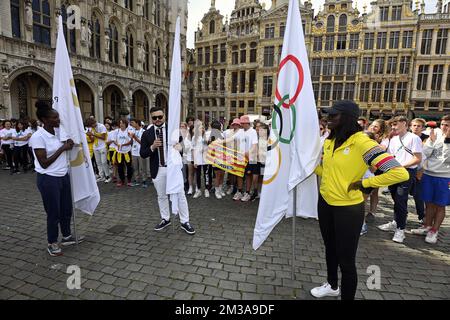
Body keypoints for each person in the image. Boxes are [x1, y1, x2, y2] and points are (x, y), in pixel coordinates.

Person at [310, 100, 408, 300]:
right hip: (325, 204)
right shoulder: (330, 140)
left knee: (346, 261)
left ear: (346, 118)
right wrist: (307, 166)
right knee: (330, 249)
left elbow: (400, 173)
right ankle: (332, 285)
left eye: (333, 116)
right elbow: (326, 171)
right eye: (327, 115)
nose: (328, 120)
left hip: (348, 210)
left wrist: (365, 184)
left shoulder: (363, 142)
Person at [29, 101, 83, 256]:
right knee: (54, 212)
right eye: (55, 118)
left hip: (63, 176)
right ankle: (52, 242)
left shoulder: (60, 131)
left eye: (58, 117)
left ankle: (66, 236)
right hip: (48, 179)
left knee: (66, 209)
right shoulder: (38, 136)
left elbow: (69, 140)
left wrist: (70, 143)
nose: (58, 120)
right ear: (45, 120)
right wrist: (63, 148)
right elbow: (44, 163)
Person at [140, 107, 195, 235]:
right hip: (158, 170)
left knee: (180, 194)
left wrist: (179, 147)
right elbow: (143, 153)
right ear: (151, 118)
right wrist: (152, 147)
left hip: (173, 169)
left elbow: (184, 147)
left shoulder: (174, 131)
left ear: (164, 116)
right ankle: (165, 218)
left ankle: (185, 221)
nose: (158, 120)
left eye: (160, 117)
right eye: (155, 118)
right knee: (162, 196)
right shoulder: (147, 134)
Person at [378, 116, 423, 243]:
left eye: (396, 124)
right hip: (394, 171)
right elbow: (391, 155)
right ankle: (396, 221)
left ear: (404, 123)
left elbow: (417, 158)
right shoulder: (394, 139)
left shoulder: (414, 138)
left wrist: (401, 166)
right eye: (392, 125)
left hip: (407, 172)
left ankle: (400, 229)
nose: (393, 127)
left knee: (400, 200)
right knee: (395, 199)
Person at [411, 115, 450, 244]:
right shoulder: (435, 135)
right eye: (443, 124)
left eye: (448, 125)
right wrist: (432, 142)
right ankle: (427, 226)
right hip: (429, 173)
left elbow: (447, 159)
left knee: (440, 204)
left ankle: (434, 230)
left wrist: (447, 141)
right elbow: (425, 153)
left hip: (445, 177)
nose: (445, 127)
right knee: (428, 203)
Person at [233, 115, 259, 202]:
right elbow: (232, 140)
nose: (241, 125)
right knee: (239, 174)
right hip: (240, 157)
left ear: (247, 123)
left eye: (243, 123)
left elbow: (255, 144)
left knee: (249, 175)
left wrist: (249, 151)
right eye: (241, 124)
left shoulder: (253, 132)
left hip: (250, 157)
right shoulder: (240, 131)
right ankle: (239, 191)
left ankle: (247, 192)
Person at [409, 118, 428, 223]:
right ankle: (397, 219)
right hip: (406, 169)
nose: (416, 127)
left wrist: (422, 170)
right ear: (410, 126)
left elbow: (430, 157)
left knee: (418, 195)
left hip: (420, 169)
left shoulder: (427, 139)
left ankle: (422, 217)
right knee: (400, 196)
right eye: (414, 125)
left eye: (418, 126)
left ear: (422, 128)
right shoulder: (405, 137)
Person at [87, 117, 111, 183]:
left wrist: (93, 134)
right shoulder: (91, 128)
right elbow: (92, 139)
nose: (91, 126)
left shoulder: (101, 126)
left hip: (102, 146)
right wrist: (89, 136)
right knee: (98, 163)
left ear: (94, 123)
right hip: (95, 147)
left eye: (91, 125)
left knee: (104, 162)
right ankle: (101, 176)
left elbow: (103, 137)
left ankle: (107, 176)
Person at [192, 120, 212, 198]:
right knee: (198, 175)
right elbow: (193, 149)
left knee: (206, 174)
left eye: (203, 128)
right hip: (197, 159)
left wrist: (208, 141)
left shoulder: (207, 136)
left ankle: (207, 189)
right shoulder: (194, 137)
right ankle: (198, 190)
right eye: (200, 128)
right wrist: (194, 161)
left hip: (206, 159)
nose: (202, 129)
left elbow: (210, 145)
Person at [129, 118, 149, 187]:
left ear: (137, 123)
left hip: (141, 152)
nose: (131, 124)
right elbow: (131, 142)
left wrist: (134, 137)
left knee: (142, 168)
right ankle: (136, 180)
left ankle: (144, 181)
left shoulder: (143, 131)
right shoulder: (132, 131)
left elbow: (142, 143)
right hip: (134, 152)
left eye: (132, 122)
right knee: (135, 167)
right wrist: (131, 138)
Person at [208, 120, 226, 199]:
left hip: (223, 157)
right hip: (216, 158)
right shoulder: (211, 136)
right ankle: (217, 190)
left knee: (222, 174)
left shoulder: (222, 135)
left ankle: (220, 189)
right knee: (217, 175)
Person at [114, 118, 134, 187]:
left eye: (123, 123)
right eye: (120, 123)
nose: (121, 124)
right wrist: (117, 144)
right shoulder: (117, 131)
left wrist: (123, 145)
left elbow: (131, 142)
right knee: (120, 167)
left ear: (126, 124)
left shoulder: (128, 131)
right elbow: (114, 140)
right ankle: (122, 180)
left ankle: (129, 180)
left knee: (129, 166)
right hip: (119, 152)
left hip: (127, 152)